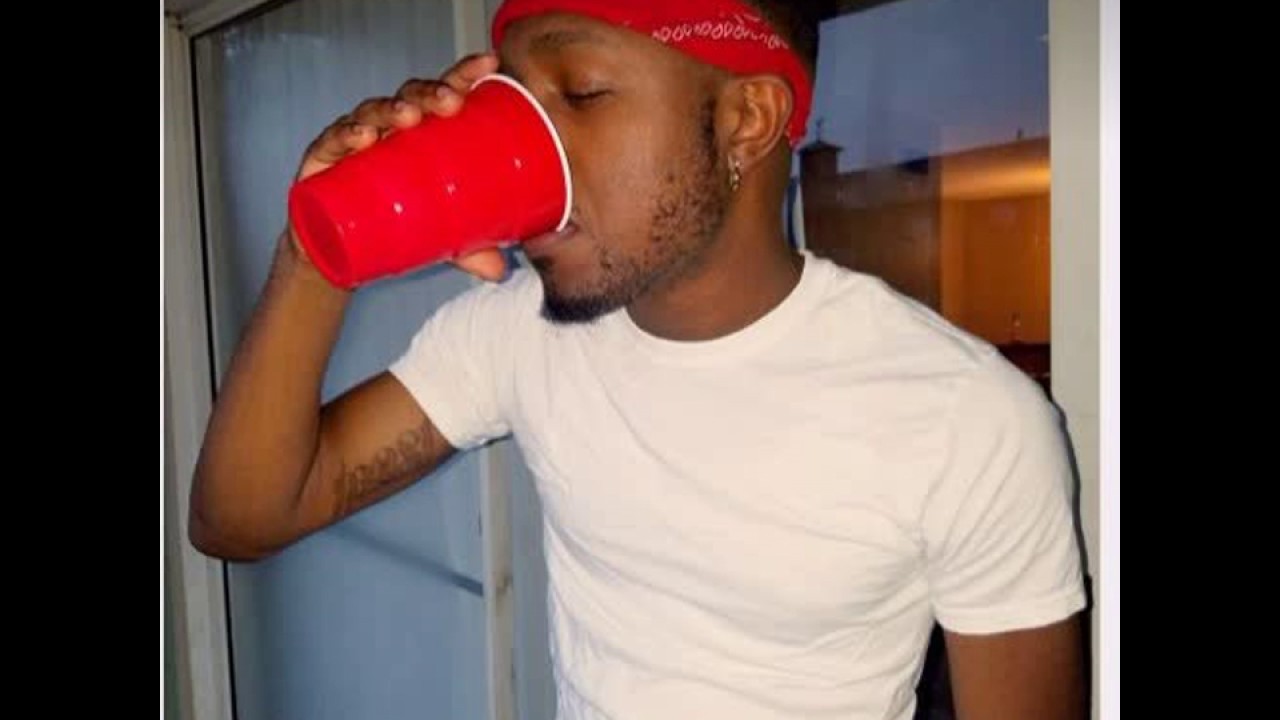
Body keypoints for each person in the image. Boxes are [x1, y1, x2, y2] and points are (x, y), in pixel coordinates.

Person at [188, 1, 1088, 718]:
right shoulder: (519, 332)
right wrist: (318, 252)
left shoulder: (967, 418)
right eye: (515, 103)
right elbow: (242, 519)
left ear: (747, 119)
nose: (536, 155)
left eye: (579, 93)